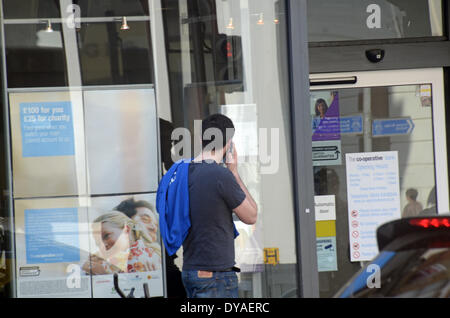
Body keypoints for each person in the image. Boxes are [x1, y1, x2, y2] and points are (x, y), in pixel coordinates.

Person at [157, 113, 257, 298]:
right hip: (215, 277)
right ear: (228, 144)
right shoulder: (220, 176)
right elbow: (251, 215)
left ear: (202, 139)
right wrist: (233, 172)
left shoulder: (181, 172)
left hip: (191, 270)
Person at [114, 197, 186, 298]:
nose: (153, 227)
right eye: (145, 219)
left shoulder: (159, 254)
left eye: (155, 224)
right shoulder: (112, 259)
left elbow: (173, 279)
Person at [82, 211, 161, 275]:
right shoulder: (146, 251)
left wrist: (96, 267)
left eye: (106, 236)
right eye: (98, 243)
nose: (103, 245)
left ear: (126, 230)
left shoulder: (138, 257)